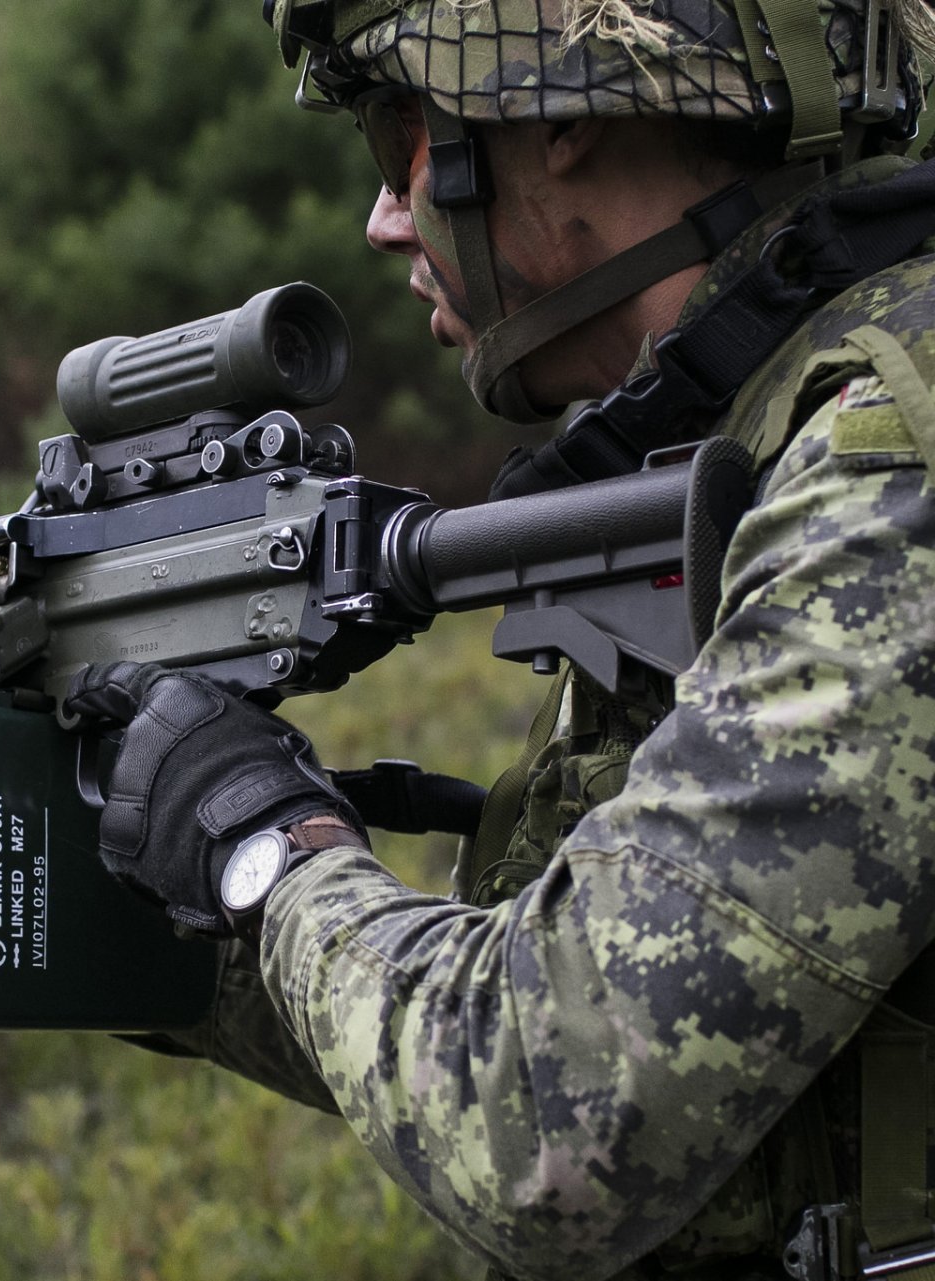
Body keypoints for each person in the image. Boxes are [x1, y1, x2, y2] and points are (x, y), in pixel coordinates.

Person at [65, 1, 935, 1277]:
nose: (382, 217)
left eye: (399, 129)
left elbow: (546, 1116)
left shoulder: (891, 461)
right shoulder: (745, 434)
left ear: (563, 112)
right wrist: (118, 876)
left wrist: (270, 852)